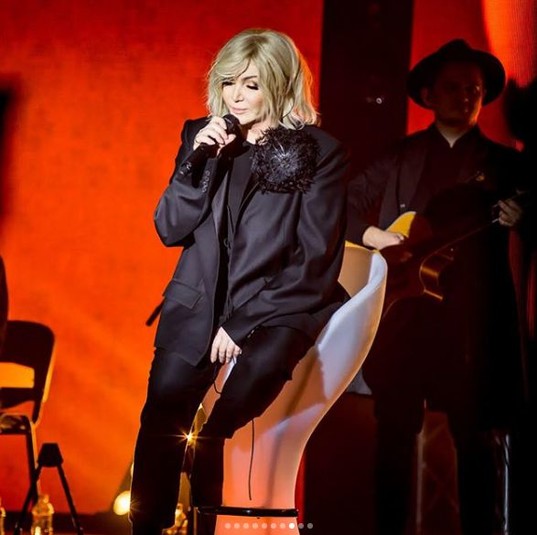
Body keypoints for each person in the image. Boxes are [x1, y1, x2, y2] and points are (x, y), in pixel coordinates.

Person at [129, 28, 349, 535]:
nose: (236, 96)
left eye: (251, 84)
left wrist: (242, 320)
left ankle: (210, 472)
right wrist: (195, 162)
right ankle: (146, 527)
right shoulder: (200, 137)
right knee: (162, 413)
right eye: (228, 82)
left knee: (239, 398)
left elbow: (315, 259)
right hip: (197, 302)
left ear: (279, 85)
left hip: (279, 303)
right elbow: (169, 229)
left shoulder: (320, 151)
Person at [346, 39, 532, 535]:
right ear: (428, 95)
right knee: (393, 438)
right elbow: (341, 206)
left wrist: (524, 217)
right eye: (452, 87)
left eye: (474, 89)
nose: (465, 96)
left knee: (475, 441)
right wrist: (375, 235)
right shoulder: (399, 157)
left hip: (471, 325)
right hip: (404, 321)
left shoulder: (506, 166)